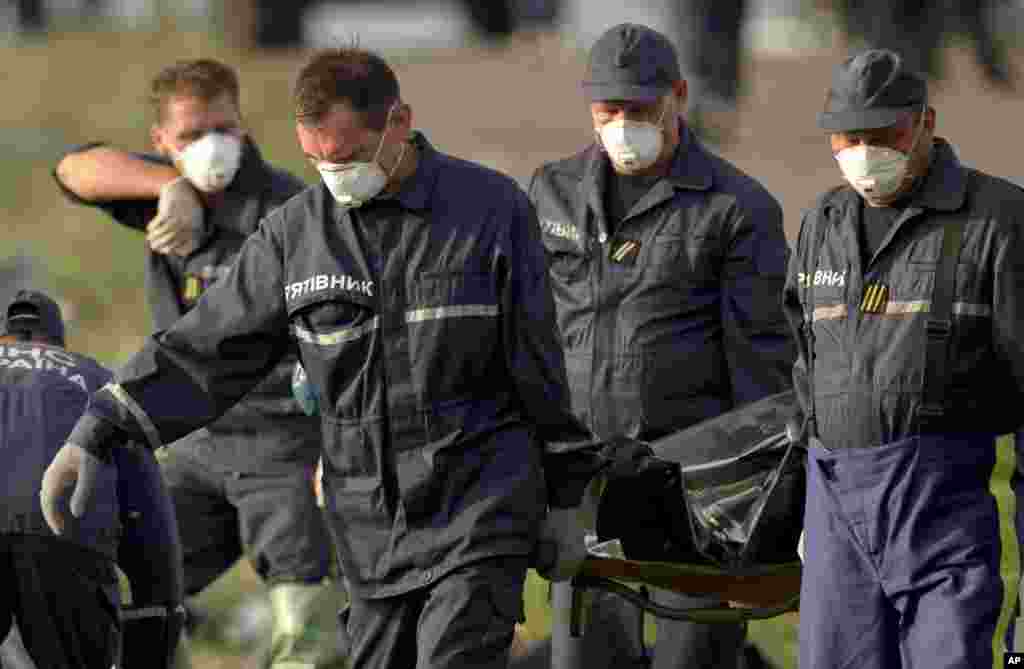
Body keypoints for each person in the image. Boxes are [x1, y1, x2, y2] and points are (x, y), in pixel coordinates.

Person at [39, 45, 593, 669]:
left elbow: (539, 365)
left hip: (478, 508)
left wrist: (566, 498)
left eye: (350, 157)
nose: (334, 175)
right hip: (367, 530)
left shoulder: (490, 212)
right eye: (316, 161)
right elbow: (207, 350)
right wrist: (98, 429)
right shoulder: (295, 234)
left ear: (399, 123)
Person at [52, 58, 337, 669]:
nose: (211, 147)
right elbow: (72, 169)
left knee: (306, 635)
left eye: (223, 128)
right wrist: (164, 186)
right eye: (189, 136)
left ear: (243, 126)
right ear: (161, 142)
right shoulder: (165, 201)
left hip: (285, 447)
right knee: (120, 595)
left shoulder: (292, 208)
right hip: (191, 443)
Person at [528, 22, 795, 669]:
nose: (623, 123)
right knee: (585, 659)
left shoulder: (737, 210)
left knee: (693, 659)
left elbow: (766, 383)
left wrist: (756, 512)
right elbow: (528, 339)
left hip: (694, 499)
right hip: (584, 491)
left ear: (678, 95)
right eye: (609, 109)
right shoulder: (551, 194)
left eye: (641, 108)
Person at [785, 48, 1024, 668]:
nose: (863, 151)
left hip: (940, 513)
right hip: (833, 513)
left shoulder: (997, 221)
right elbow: (803, 364)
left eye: (883, 133)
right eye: (848, 136)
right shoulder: (821, 223)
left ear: (926, 122)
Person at [0, 289, 182, 669]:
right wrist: (160, 609)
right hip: (65, 537)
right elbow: (146, 508)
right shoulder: (98, 378)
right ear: (57, 341)